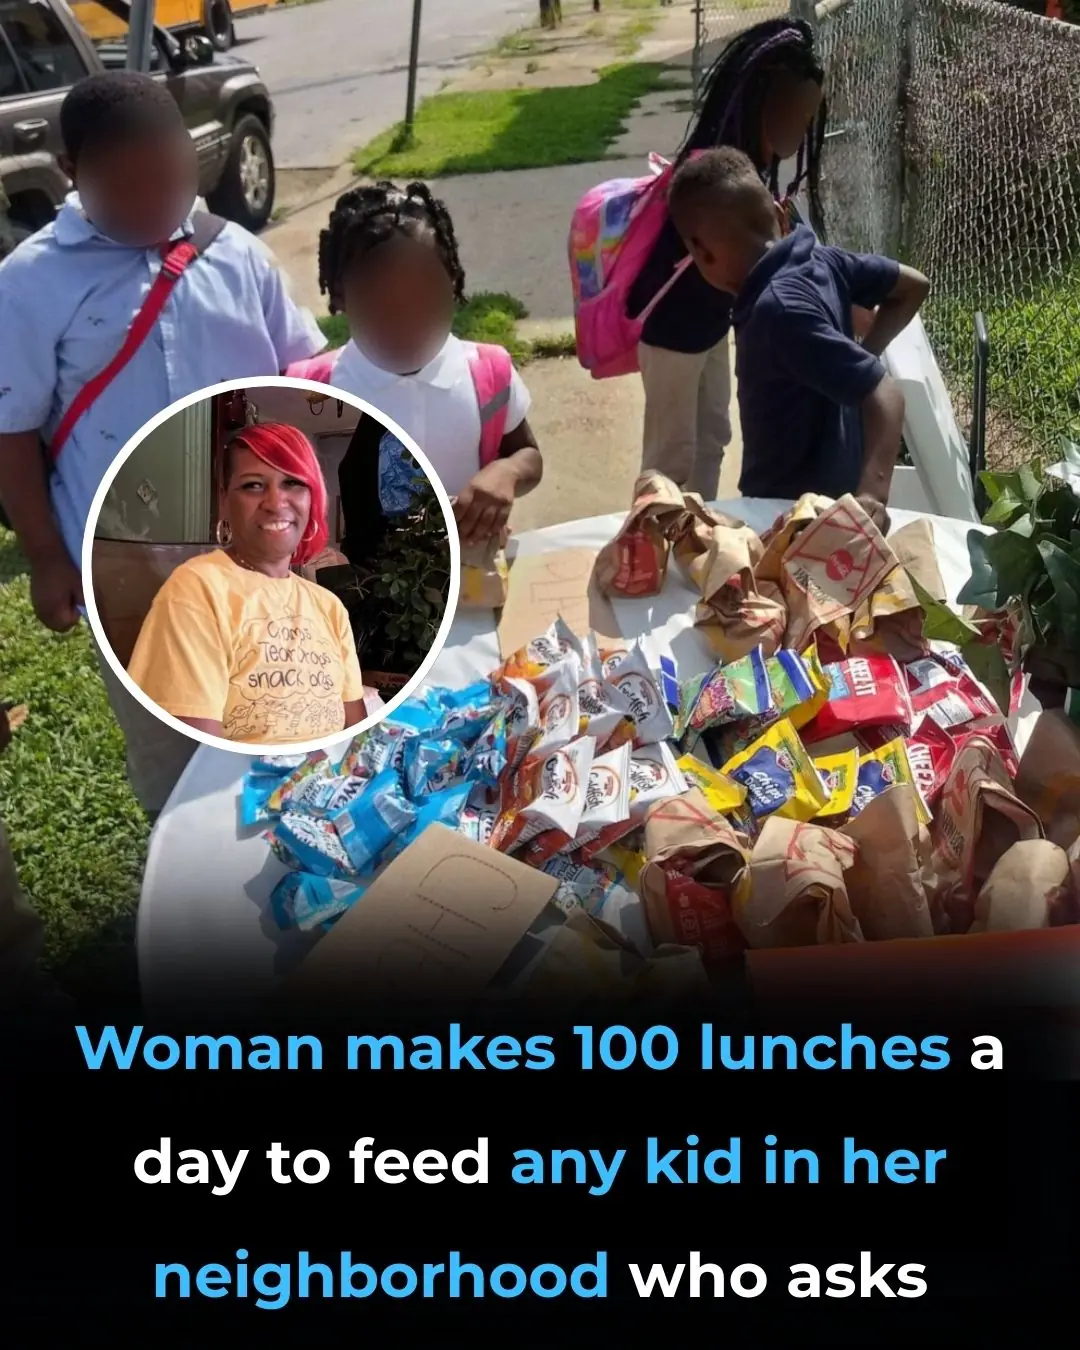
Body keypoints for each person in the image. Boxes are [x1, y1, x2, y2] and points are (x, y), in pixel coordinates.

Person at [0, 73, 325, 811]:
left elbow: (298, 372)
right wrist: (49, 560)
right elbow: (11, 432)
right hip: (129, 574)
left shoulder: (236, 254)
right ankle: (188, 871)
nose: (155, 204)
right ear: (74, 176)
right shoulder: (29, 283)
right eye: (128, 189)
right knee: (172, 743)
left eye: (170, 179)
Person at [667, 147, 929, 529]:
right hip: (824, 500)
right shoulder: (823, 261)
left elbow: (885, 394)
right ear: (778, 215)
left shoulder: (778, 312)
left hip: (791, 518)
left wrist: (872, 495)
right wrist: (865, 352)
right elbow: (914, 286)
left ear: (700, 252)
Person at [626, 18, 828, 500]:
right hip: (673, 334)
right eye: (793, 115)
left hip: (710, 327)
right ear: (761, 102)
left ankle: (701, 542)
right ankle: (649, 558)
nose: (800, 132)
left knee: (712, 439)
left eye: (808, 118)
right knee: (669, 458)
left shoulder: (752, 169)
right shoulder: (720, 176)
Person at [288, 181, 542, 549]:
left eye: (426, 296)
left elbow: (529, 455)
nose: (408, 321)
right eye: (382, 305)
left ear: (453, 284)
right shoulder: (312, 393)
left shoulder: (488, 374)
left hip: (470, 581)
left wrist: (508, 471)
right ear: (341, 296)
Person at [127, 423, 366, 745]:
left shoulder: (328, 606)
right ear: (224, 501)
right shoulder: (198, 588)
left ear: (313, 500)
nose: (275, 501)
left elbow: (359, 734)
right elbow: (197, 756)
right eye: (253, 485)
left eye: (293, 483)